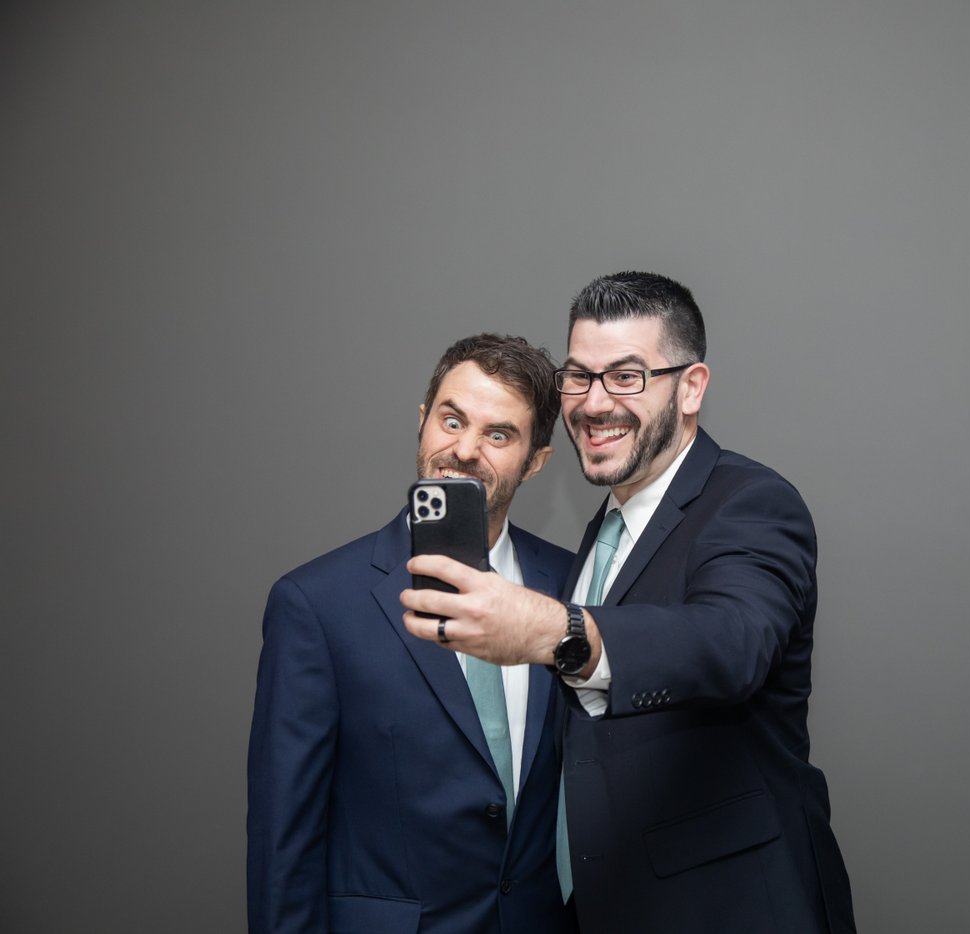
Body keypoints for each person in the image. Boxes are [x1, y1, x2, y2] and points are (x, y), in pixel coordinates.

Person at [401, 273, 857, 934]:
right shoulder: (602, 533)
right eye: (579, 377)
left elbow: (732, 640)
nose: (594, 403)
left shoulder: (750, 503)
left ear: (691, 387)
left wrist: (558, 632)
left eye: (627, 377)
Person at [248, 334, 578, 934]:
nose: (465, 449)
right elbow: (283, 841)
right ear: (423, 422)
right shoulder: (316, 605)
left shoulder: (571, 585)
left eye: (498, 434)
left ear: (536, 462)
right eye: (451, 420)